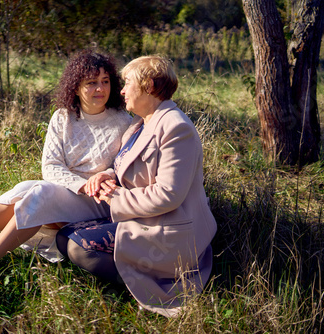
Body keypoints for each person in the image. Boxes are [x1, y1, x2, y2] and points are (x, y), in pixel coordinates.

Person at [0, 50, 132, 280]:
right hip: (72, 191)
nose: (100, 89)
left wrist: (105, 175)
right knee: (23, 189)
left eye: (105, 81)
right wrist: (80, 185)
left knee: (41, 193)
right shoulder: (63, 117)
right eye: (92, 83)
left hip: (98, 201)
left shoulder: (123, 121)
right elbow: (51, 166)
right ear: (76, 87)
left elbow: (124, 165)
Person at [56, 55, 217, 317]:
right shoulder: (140, 122)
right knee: (63, 236)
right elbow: (124, 164)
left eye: (127, 82)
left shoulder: (176, 128)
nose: (120, 90)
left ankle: (144, 284)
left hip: (167, 231)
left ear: (149, 86)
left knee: (78, 247)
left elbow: (168, 195)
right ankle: (130, 271)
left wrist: (116, 196)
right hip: (139, 218)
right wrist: (107, 175)